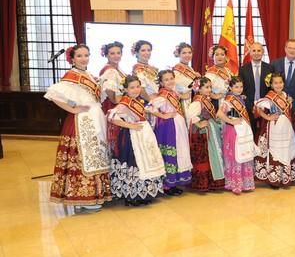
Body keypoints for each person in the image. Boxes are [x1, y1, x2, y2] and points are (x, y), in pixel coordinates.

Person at [44, 45, 112, 211]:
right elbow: (55, 95)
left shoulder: (87, 74)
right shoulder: (71, 75)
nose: (84, 58)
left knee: (96, 153)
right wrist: (74, 108)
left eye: (86, 55)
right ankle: (81, 196)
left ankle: (96, 193)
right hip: (82, 121)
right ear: (72, 59)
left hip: (96, 117)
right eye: (80, 56)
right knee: (82, 155)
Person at [107, 75, 165, 206]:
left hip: (144, 134)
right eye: (132, 87)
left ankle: (143, 192)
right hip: (131, 136)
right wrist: (130, 125)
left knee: (146, 161)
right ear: (126, 89)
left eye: (138, 87)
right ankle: (131, 195)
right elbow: (111, 116)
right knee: (134, 162)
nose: (136, 90)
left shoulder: (138, 101)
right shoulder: (124, 102)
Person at [147, 70, 193, 195]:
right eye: (166, 80)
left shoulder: (173, 92)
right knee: (171, 152)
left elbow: (185, 96)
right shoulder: (162, 95)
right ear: (161, 82)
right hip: (168, 127)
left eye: (171, 78)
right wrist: (163, 115)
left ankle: (176, 181)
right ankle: (168, 184)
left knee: (179, 151)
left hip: (177, 125)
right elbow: (149, 107)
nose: (170, 81)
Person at [253, 72, 295, 188]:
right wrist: (268, 117)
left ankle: (285, 177)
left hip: (286, 127)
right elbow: (257, 107)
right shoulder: (269, 98)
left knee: (286, 149)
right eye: (275, 83)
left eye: (280, 82)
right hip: (275, 127)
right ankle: (274, 179)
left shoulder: (286, 96)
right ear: (271, 85)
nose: (278, 85)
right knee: (275, 150)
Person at [185, 77, 226, 193]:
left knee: (210, 156)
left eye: (210, 87)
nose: (209, 89)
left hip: (208, 132)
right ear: (199, 88)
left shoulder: (205, 99)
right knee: (203, 157)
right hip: (200, 134)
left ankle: (210, 181)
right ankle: (202, 183)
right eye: (207, 87)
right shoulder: (198, 101)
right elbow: (190, 116)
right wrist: (199, 123)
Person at [218, 76, 256, 194]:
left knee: (243, 153)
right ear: (230, 87)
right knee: (235, 155)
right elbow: (219, 113)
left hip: (242, 130)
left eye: (241, 87)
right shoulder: (228, 101)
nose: (239, 89)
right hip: (233, 131)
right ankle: (235, 184)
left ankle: (245, 183)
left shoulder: (240, 98)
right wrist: (231, 121)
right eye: (236, 87)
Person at [240, 41, 273, 129]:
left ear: (263, 52)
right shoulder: (243, 69)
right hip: (249, 107)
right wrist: (251, 106)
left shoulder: (270, 68)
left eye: (259, 51)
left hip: (266, 107)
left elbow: (271, 88)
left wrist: (264, 104)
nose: (256, 53)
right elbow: (241, 90)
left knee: (264, 133)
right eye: (253, 50)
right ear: (250, 52)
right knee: (251, 133)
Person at [172, 43, 201, 116]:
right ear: (179, 54)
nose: (187, 55)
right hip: (183, 101)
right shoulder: (176, 70)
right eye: (184, 53)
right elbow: (181, 87)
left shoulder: (190, 69)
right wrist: (197, 80)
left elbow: (195, 87)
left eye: (189, 52)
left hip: (191, 98)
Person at [99, 41, 126, 113]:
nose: (116, 56)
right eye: (112, 53)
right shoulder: (110, 71)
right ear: (107, 55)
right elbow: (108, 89)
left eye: (118, 53)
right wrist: (116, 101)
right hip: (112, 106)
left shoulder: (117, 68)